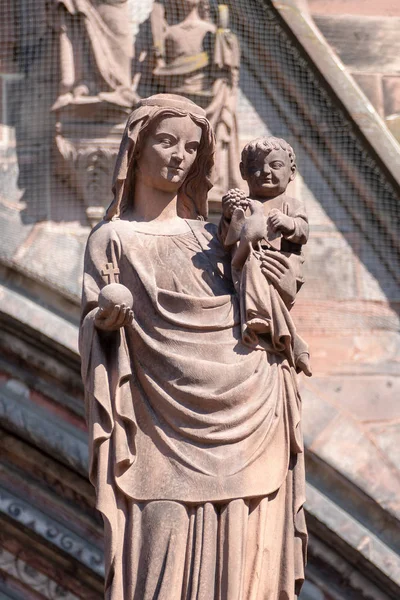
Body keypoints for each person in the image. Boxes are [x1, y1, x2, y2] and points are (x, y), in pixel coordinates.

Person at [80, 94, 307, 599]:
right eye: (166, 141)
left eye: (191, 147)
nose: (179, 155)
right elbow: (95, 326)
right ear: (136, 150)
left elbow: (271, 301)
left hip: (252, 413)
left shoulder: (215, 238)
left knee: (247, 573)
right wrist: (106, 322)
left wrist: (270, 269)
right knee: (159, 563)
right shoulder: (113, 239)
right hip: (160, 427)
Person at [220, 136, 312, 376]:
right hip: (249, 264)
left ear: (292, 172)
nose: (265, 172)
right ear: (243, 171)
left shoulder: (290, 204)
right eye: (255, 167)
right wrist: (230, 215)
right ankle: (289, 339)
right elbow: (226, 240)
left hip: (284, 264)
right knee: (252, 265)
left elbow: (302, 231)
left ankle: (280, 332)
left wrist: (287, 223)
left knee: (265, 279)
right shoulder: (245, 203)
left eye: (275, 165)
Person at [50, 0, 135, 110]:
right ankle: (90, 83)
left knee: (120, 37)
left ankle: (122, 88)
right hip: (91, 3)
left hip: (114, 4)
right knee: (88, 36)